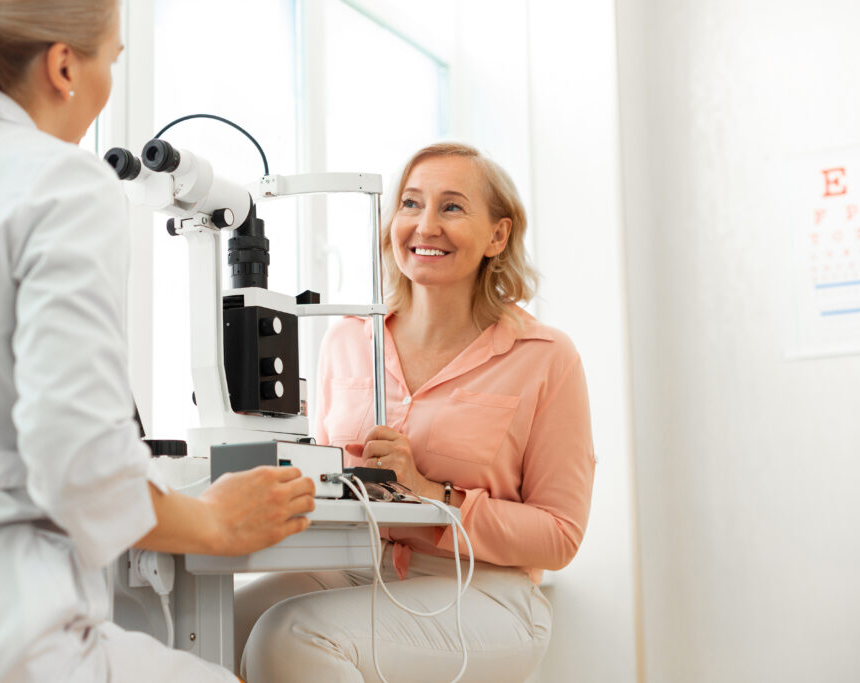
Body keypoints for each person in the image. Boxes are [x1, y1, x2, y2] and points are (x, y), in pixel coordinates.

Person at [0, 1, 315, 681]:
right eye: (114, 61)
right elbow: (80, 469)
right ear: (64, 65)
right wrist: (215, 520)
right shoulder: (62, 183)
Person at [234, 143, 596, 682]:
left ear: (497, 235)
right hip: (355, 569)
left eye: (451, 207)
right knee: (211, 625)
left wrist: (432, 494)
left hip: (482, 589)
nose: (425, 226)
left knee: (290, 637)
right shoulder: (348, 337)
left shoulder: (544, 357)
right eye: (410, 204)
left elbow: (559, 535)